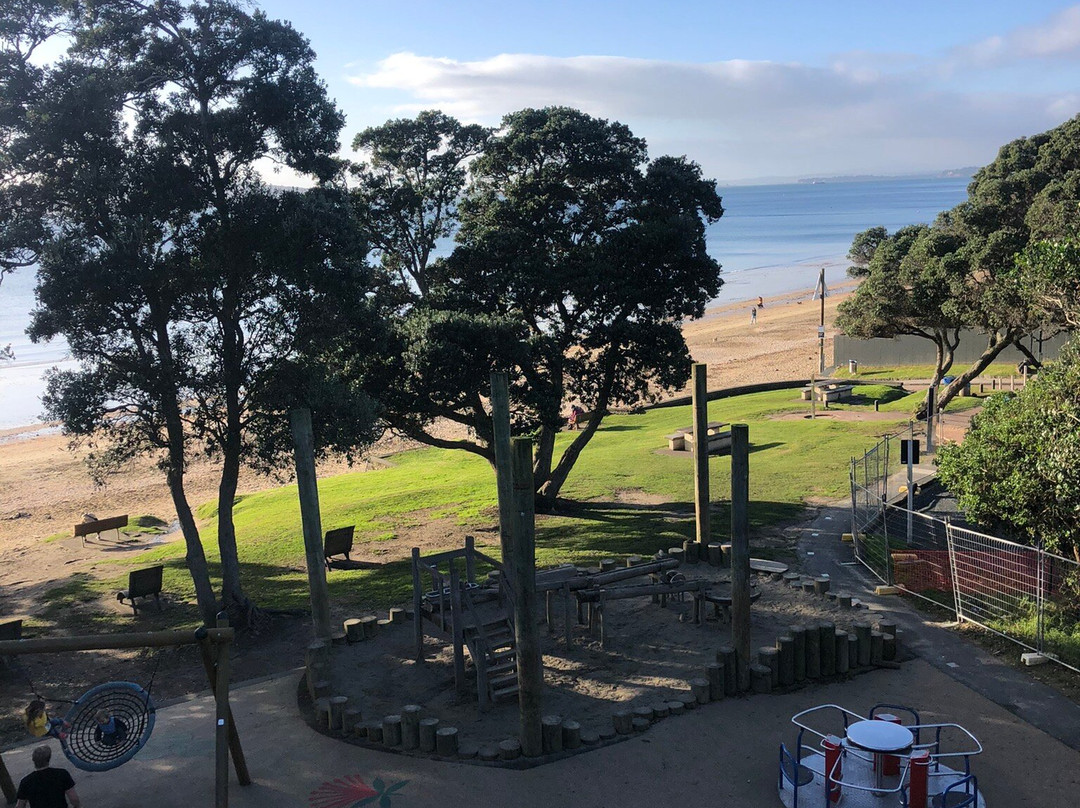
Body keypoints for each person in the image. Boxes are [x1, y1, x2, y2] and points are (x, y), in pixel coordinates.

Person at [16, 745, 80, 808]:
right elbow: (74, 798)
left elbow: (20, 805)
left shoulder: (26, 781)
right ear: (48, 759)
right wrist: (77, 806)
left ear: (33, 760)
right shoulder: (62, 774)